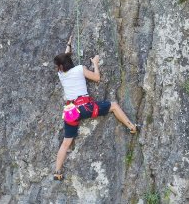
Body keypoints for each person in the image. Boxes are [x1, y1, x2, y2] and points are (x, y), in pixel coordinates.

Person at [53, 37, 138, 180]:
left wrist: (69, 44)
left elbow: (64, 58)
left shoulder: (61, 75)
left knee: (66, 142)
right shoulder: (80, 69)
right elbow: (97, 78)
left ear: (61, 67)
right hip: (85, 107)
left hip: (71, 112)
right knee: (113, 105)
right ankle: (132, 127)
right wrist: (95, 63)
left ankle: (57, 172)